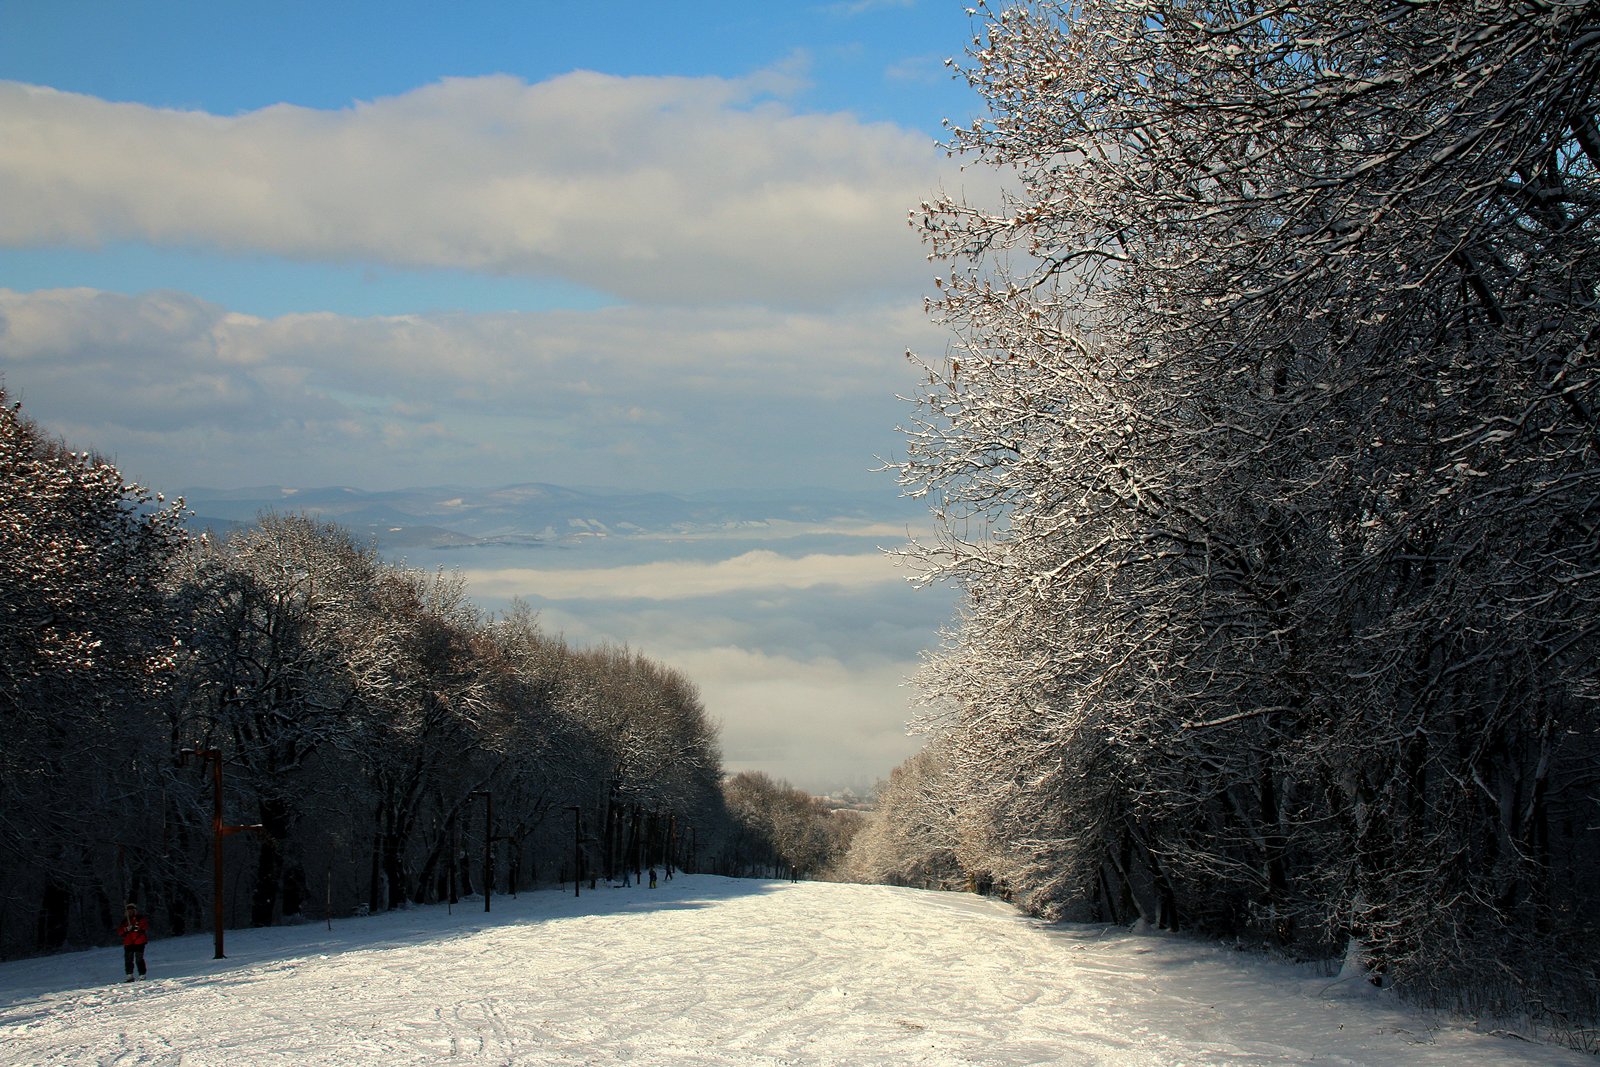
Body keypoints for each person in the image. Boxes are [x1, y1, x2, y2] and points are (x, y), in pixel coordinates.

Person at [118, 903, 149, 982]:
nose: (130, 912)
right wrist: (126, 929)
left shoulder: (140, 918)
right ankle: (129, 975)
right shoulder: (124, 921)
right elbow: (120, 932)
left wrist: (135, 928)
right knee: (128, 959)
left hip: (139, 941)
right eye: (128, 911)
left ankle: (142, 975)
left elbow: (144, 927)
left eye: (131, 910)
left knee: (139, 959)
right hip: (128, 942)